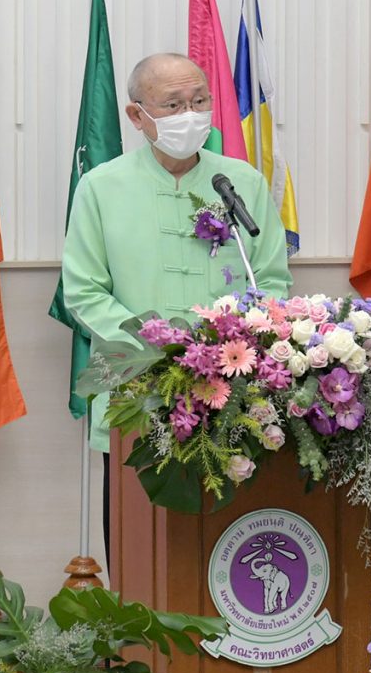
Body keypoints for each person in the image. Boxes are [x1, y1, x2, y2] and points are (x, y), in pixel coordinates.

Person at [61, 50, 292, 473]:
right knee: (137, 508)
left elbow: (271, 281)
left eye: (199, 101)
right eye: (173, 105)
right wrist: (161, 348)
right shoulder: (101, 187)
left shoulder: (241, 182)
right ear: (137, 115)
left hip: (231, 388)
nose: (190, 114)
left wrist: (233, 347)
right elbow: (84, 292)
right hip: (137, 387)